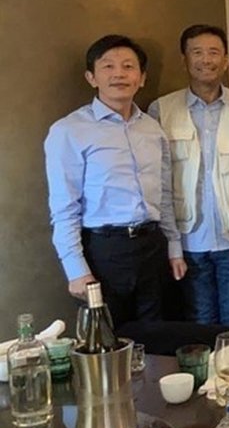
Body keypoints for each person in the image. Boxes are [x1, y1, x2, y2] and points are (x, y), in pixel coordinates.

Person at [44, 35, 187, 323]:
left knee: (157, 336)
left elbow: (164, 196)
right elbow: (64, 207)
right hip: (104, 250)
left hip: (152, 246)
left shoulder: (152, 129)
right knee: (111, 339)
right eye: (108, 66)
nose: (119, 74)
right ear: (91, 77)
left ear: (142, 78)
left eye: (128, 66)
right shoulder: (69, 131)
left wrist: (174, 248)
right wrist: (76, 270)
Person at [148, 24, 229, 332]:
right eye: (197, 52)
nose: (206, 60)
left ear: (225, 60)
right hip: (187, 239)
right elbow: (157, 180)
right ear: (185, 60)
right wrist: (170, 239)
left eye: (214, 52)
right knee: (199, 321)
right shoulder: (161, 110)